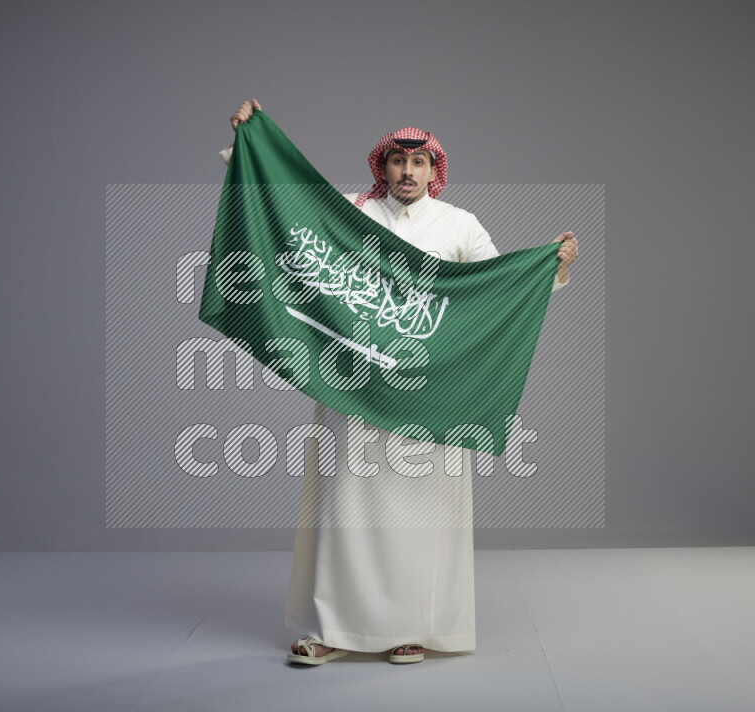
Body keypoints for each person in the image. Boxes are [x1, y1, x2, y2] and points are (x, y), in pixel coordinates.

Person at [220, 100, 578, 665]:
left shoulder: (459, 224)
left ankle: (412, 627)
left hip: (426, 400)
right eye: (396, 161)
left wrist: (549, 267)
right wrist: (251, 142)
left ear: (433, 169)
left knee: (419, 519)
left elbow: (496, 289)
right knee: (345, 514)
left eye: (417, 162)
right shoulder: (347, 214)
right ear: (381, 167)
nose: (406, 172)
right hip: (352, 389)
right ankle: (332, 629)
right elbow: (279, 204)